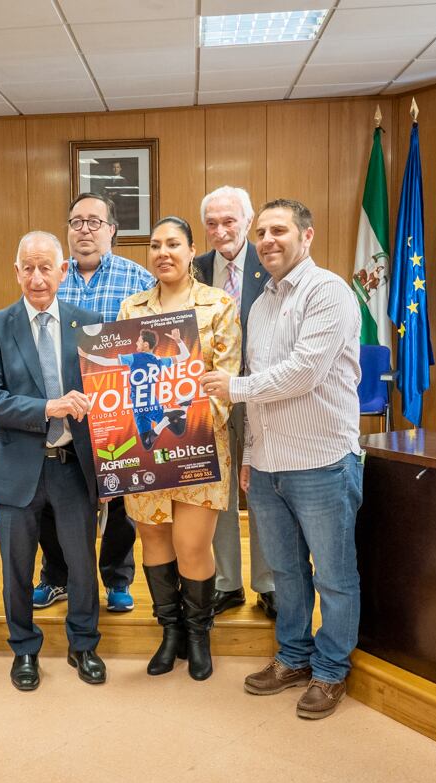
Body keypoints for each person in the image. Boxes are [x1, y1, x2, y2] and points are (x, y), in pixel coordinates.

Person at [201, 199, 363, 720]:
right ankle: (293, 656)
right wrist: (250, 458)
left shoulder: (328, 291)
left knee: (334, 576)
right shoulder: (262, 303)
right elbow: (266, 388)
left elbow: (302, 373)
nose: (268, 240)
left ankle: (332, 669)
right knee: (287, 573)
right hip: (269, 463)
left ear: (307, 235)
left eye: (280, 230)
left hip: (321, 459)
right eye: (264, 232)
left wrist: (234, 387)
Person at [0, 231, 105, 692]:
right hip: (17, 469)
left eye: (45, 267)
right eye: (27, 267)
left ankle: (83, 644)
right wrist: (48, 407)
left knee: (83, 565)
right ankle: (24, 649)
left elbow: (106, 398)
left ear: (63, 271)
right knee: (16, 567)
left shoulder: (89, 324)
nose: (36, 277)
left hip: (74, 466)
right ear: (16, 273)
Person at [115, 216, 241, 681]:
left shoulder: (218, 305)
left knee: (192, 543)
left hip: (197, 447)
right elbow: (117, 383)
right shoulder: (131, 310)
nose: (163, 252)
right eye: (155, 244)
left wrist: (190, 423)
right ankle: (170, 632)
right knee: (152, 539)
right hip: (145, 450)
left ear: (192, 251)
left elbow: (225, 382)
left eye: (173, 244)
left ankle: (198, 635)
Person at [34, 192, 156, 614]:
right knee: (54, 497)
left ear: (112, 231)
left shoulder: (138, 279)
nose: (84, 230)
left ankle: (117, 579)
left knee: (121, 500)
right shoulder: (50, 278)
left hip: (117, 408)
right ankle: (56, 576)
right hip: (62, 409)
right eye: (76, 222)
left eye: (94, 222)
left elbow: (150, 343)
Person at [192, 186, 276, 619]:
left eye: (229, 221)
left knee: (260, 488)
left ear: (247, 221)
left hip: (260, 393)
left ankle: (268, 582)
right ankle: (226, 583)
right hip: (210, 397)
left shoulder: (269, 265)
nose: (221, 230)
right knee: (218, 491)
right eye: (212, 223)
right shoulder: (196, 268)